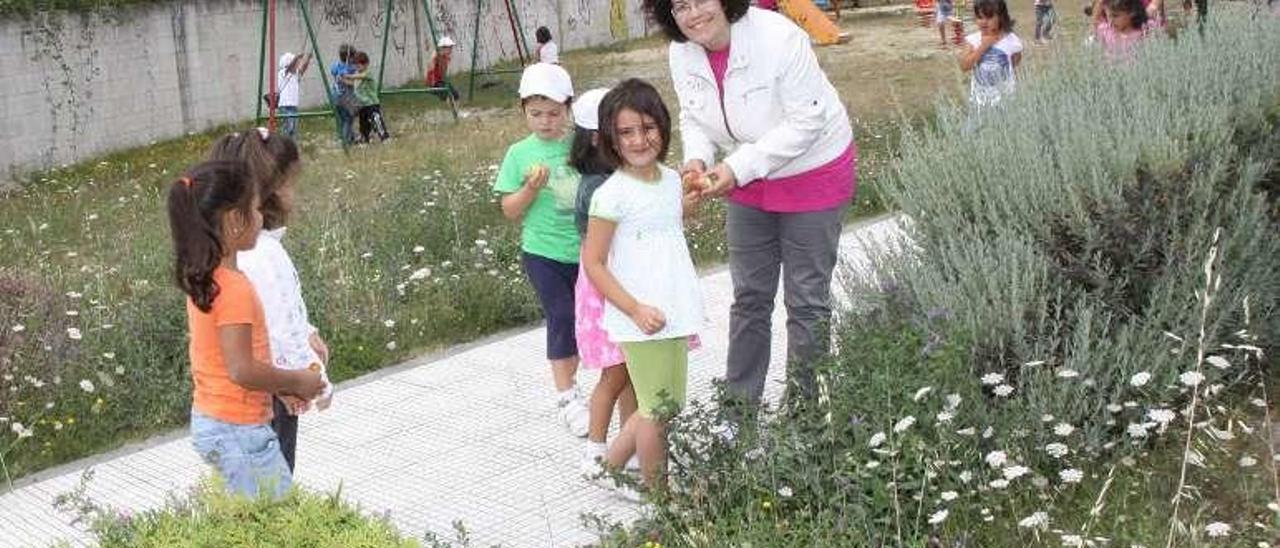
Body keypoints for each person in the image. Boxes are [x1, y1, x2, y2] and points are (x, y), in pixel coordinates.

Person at [643, 0, 857, 417]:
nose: (693, 14)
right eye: (680, 6)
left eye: (700, 0)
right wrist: (697, 161)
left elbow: (806, 122)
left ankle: (805, 416)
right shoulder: (682, 51)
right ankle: (737, 412)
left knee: (806, 299)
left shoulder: (779, 37)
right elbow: (694, 115)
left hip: (813, 167)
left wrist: (736, 168)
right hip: (744, 172)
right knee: (750, 298)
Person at [166, 160, 325, 499]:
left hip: (216, 421)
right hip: (238, 430)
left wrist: (277, 390)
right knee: (276, 516)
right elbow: (241, 369)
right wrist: (296, 380)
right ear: (235, 220)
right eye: (254, 208)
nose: (261, 217)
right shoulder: (234, 288)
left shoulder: (207, 281)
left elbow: (231, 363)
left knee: (248, 515)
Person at [582, 78, 705, 491]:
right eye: (626, 132)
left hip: (675, 308)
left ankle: (611, 469)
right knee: (655, 409)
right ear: (611, 141)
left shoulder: (670, 180)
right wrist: (633, 308)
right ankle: (660, 499)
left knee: (666, 403)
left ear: (664, 128)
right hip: (640, 316)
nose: (639, 139)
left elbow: (667, 222)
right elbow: (594, 263)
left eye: (648, 128)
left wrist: (690, 203)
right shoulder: (611, 194)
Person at [208, 129, 334, 474]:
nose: (295, 193)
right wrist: (315, 381)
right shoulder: (264, 255)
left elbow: (278, 308)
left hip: (242, 399)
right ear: (268, 194)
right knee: (272, 485)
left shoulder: (235, 252)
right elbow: (277, 331)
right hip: (271, 397)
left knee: (248, 485)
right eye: (291, 183)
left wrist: (308, 330)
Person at [492, 63, 590, 437]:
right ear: (523, 112)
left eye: (553, 113)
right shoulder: (519, 154)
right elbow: (509, 210)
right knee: (561, 315)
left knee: (582, 320)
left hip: (583, 251)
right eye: (536, 114)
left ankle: (573, 383)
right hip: (542, 253)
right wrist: (530, 189)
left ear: (569, 108)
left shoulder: (580, 145)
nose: (545, 122)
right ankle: (566, 395)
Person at [568, 87, 638, 475]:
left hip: (619, 283)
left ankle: (628, 446)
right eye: (622, 132)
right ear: (597, 138)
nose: (632, 139)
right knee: (614, 375)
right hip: (607, 289)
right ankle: (596, 449)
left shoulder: (611, 177)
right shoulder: (599, 187)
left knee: (630, 374)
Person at [959, 0, 1023, 108]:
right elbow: (964, 66)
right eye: (980, 17)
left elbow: (1014, 63)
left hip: (1006, 100)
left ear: (1001, 18)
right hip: (980, 101)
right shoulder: (973, 40)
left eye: (989, 17)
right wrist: (983, 46)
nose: (984, 22)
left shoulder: (1011, 40)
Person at [350, 52, 391, 143]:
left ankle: (384, 137)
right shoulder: (357, 74)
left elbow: (360, 77)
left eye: (360, 65)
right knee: (363, 123)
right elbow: (352, 82)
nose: (358, 67)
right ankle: (365, 138)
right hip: (362, 105)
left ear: (366, 64)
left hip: (372, 104)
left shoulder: (367, 73)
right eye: (356, 65)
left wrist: (348, 76)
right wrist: (342, 79)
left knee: (376, 120)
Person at [276, 52, 311, 138]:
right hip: (285, 105)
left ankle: (292, 145)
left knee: (294, 128)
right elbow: (290, 66)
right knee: (289, 126)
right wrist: (297, 57)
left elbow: (303, 68)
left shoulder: (295, 74)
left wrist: (307, 59)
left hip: (293, 105)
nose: (297, 64)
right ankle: (285, 144)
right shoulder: (283, 72)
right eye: (296, 63)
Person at [329, 44, 358, 144]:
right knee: (348, 119)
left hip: (335, 96)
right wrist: (345, 75)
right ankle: (345, 141)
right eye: (353, 57)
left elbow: (333, 70)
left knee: (342, 119)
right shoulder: (350, 68)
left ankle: (348, 137)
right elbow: (351, 80)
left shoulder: (336, 65)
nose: (355, 59)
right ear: (348, 58)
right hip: (345, 97)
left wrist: (342, 73)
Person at [426, 36, 461, 101]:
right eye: (449, 48)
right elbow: (430, 66)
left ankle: (453, 107)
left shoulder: (446, 57)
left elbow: (443, 71)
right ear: (443, 48)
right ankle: (447, 101)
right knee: (447, 95)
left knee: (456, 94)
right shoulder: (436, 56)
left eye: (451, 47)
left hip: (441, 81)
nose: (451, 50)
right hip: (435, 83)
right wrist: (435, 55)